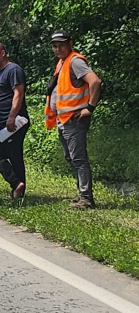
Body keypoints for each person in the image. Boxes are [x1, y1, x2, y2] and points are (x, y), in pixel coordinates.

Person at [44, 31, 102, 209]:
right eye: (55, 45)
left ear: (70, 43)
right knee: (71, 158)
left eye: (61, 44)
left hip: (75, 119)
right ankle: (81, 195)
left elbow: (95, 82)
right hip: (65, 119)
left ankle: (86, 198)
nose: (58, 48)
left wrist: (89, 108)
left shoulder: (75, 61)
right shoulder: (63, 62)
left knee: (78, 158)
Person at [0, 42, 29, 199]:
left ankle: (17, 184)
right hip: (2, 122)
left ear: (2, 53)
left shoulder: (13, 70)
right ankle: (18, 189)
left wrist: (11, 117)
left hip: (15, 122)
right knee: (11, 154)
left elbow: (18, 94)